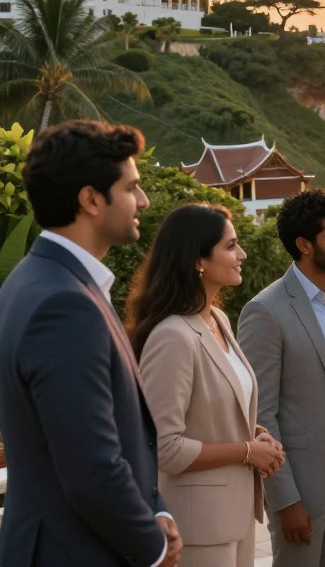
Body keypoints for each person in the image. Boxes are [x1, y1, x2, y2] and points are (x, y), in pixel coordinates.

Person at [0, 120, 182, 566]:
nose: (144, 200)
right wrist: (153, 546)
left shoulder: (35, 280)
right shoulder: (64, 303)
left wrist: (155, 509)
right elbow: (90, 466)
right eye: (131, 188)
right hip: (73, 551)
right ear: (91, 200)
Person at [128, 203, 286, 566]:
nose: (242, 254)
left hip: (236, 515)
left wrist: (258, 436)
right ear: (198, 260)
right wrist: (247, 451)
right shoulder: (173, 336)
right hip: (197, 526)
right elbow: (164, 447)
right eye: (231, 246)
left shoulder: (218, 319)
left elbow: (216, 411)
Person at [238, 189, 325, 567]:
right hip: (302, 479)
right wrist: (284, 499)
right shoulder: (265, 311)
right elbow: (260, 413)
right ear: (304, 244)